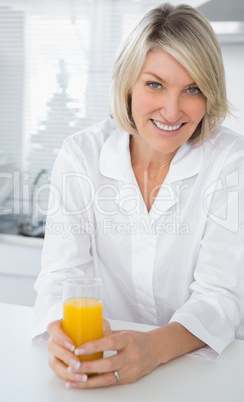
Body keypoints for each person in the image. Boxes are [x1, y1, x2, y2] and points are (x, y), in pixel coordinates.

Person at [32, 2, 244, 388]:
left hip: (203, 374)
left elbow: (220, 295)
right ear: (127, 82)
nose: (172, 109)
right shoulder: (81, 154)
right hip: (101, 361)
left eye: (192, 89)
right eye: (155, 84)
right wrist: (60, 335)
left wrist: (151, 349)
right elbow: (62, 275)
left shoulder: (231, 161)